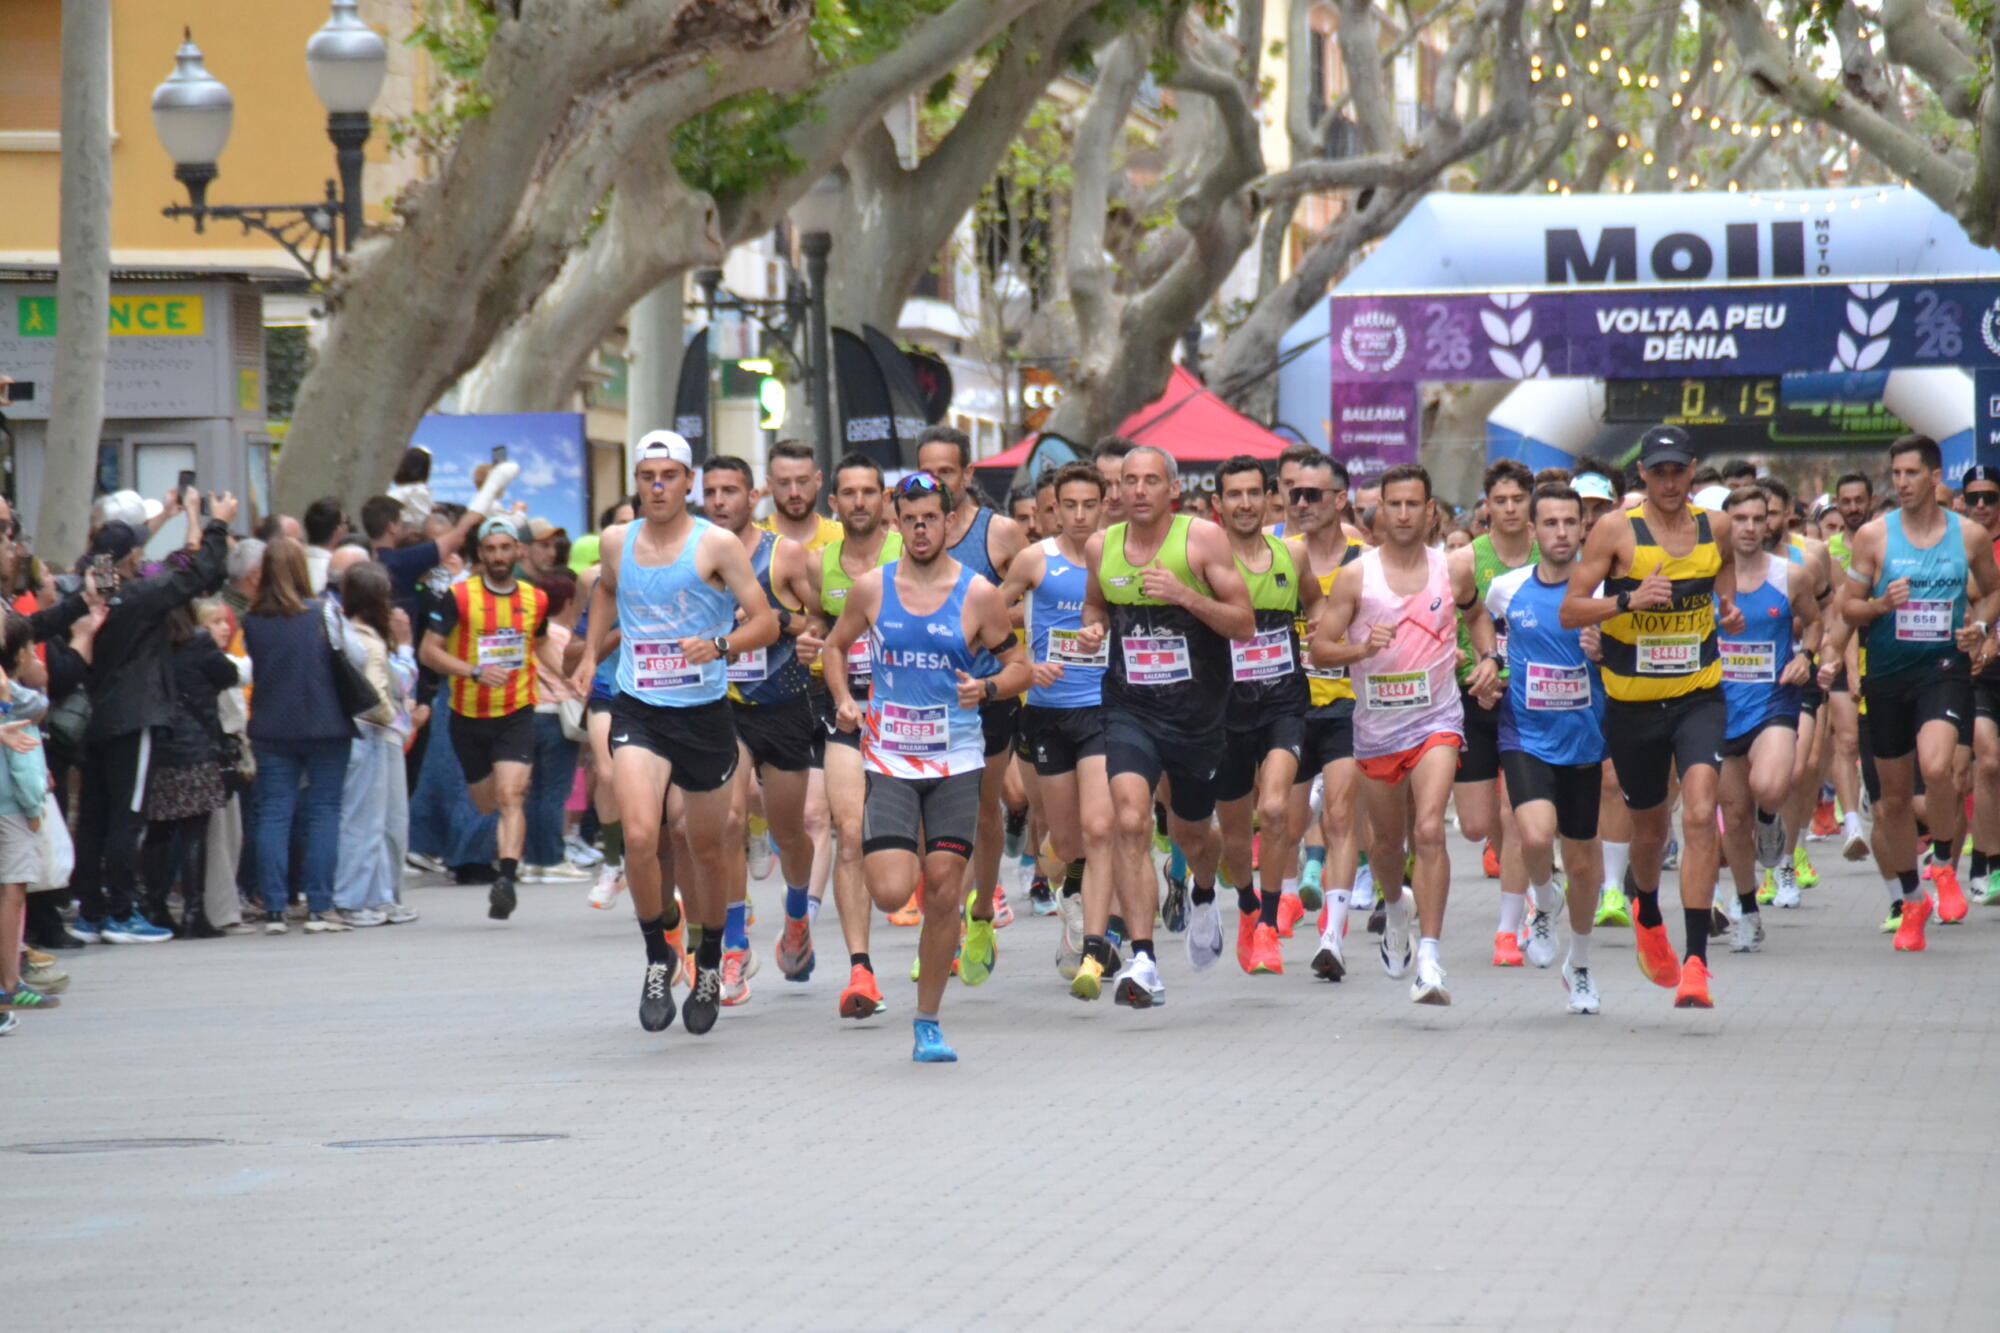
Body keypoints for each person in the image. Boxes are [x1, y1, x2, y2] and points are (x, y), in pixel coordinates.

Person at [820, 472, 1031, 1062]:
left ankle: (928, 1022)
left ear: (948, 521)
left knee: (940, 891)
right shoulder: (871, 589)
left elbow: (1019, 667)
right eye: (910, 519)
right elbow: (834, 646)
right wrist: (844, 698)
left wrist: (987, 689)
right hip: (889, 759)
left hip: (956, 761)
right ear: (897, 521)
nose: (919, 529)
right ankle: (908, 842)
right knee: (892, 892)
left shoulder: (978, 595)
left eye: (930, 518)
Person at [584, 430, 778, 1038]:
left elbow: (766, 622)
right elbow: (606, 591)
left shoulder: (716, 544)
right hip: (639, 709)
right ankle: (656, 956)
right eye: (648, 477)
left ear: (688, 482)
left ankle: (711, 960)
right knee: (640, 836)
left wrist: (719, 644)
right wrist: (590, 654)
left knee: (706, 847)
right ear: (637, 483)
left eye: (669, 476)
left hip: (703, 715)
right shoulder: (617, 541)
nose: (659, 486)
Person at [1561, 425, 1742, 1009]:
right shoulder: (1616, 530)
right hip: (1633, 705)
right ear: (1641, 473)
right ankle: (1646, 908)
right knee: (1649, 830)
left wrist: (1728, 606)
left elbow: (1724, 572)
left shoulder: (1717, 526)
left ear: (1692, 471)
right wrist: (1627, 600)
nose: (1668, 482)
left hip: (1698, 696)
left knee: (1700, 811)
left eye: (1678, 470)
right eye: (1658, 472)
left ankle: (1696, 963)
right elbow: (1570, 609)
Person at [1075, 445, 1255, 1008]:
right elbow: (1095, 606)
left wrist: (1184, 595)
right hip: (1129, 707)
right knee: (1130, 819)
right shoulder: (1102, 546)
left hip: (1197, 716)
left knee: (1192, 834)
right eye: (1129, 480)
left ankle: (1203, 890)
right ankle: (1144, 958)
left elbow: (1244, 624)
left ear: (1172, 489)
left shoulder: (1202, 540)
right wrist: (1092, 629)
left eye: (1151, 480)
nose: (1138, 490)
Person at [1312, 464, 1498, 1006]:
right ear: (1379, 512)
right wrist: (1362, 649)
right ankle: (1396, 908)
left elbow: (1477, 615)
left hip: (1437, 719)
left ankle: (1432, 960)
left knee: (1430, 829)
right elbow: (1320, 649)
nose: (1402, 514)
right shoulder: (1356, 577)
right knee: (1387, 845)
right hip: (1376, 731)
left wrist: (1489, 656)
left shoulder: (1452, 569)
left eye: (1413, 504)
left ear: (1430, 510)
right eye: (1393, 504)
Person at [1842, 434, 2000, 950]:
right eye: (1896, 474)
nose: (1902, 483)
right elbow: (1848, 607)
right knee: (1891, 802)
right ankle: (1912, 901)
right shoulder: (1874, 537)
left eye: (1911, 473)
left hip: (1942, 669)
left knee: (1936, 768)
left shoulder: (1969, 535)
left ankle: (1944, 865)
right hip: (1888, 677)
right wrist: (1880, 606)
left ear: (1935, 478)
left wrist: (1980, 627)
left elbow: (1993, 590)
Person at [70, 490, 236, 945]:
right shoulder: (140, 598)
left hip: (95, 714)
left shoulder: (92, 592)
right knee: (127, 814)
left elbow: (123, 553)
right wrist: (216, 523)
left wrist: (171, 515)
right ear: (131, 558)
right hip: (132, 713)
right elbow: (195, 573)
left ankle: (91, 909)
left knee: (95, 816)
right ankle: (122, 911)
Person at [1486, 484, 1607, 1013]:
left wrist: (1605, 652)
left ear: (1584, 529)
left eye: (1569, 522)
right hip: (1525, 734)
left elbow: (1632, 654)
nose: (1561, 532)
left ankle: (1578, 965)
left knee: (1581, 864)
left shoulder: (1602, 590)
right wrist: (1488, 662)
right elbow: (1479, 625)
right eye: (1551, 523)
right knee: (1533, 834)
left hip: (1584, 739)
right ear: (1533, 531)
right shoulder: (1506, 589)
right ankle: (1541, 898)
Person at [995, 463, 1113, 994]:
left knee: (1100, 828)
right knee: (1064, 840)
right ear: (1054, 510)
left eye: (1090, 504)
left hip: (1104, 708)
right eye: (1070, 505)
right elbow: (985, 614)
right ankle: (1070, 893)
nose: (1080, 515)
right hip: (1047, 712)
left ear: (1104, 505)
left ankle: (1094, 944)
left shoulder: (1118, 556)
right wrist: (1024, 665)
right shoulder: (1034, 560)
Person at [702, 457, 819, 995]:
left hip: (784, 706)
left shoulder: (784, 554)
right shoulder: (696, 555)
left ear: (753, 497)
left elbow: (822, 621)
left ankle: (796, 913)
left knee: (789, 832)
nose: (719, 501)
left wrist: (775, 621)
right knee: (727, 821)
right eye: (711, 492)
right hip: (722, 707)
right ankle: (734, 947)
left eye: (730, 490)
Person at [914, 426, 1029, 968]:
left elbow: (1037, 597)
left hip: (987, 694)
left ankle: (980, 911)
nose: (937, 482)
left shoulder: (998, 533)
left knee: (982, 810)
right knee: (928, 821)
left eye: (946, 472)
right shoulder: (909, 531)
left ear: (967, 474)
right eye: (927, 472)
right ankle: (941, 926)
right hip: (924, 697)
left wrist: (990, 621)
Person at [795, 455, 903, 1022]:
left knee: (918, 846)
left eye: (869, 491)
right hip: (848, 711)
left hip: (912, 716)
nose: (860, 502)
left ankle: (949, 924)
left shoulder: (909, 551)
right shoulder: (819, 564)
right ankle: (861, 971)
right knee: (851, 833)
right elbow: (820, 622)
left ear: (884, 500)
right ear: (833, 503)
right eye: (849, 493)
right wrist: (811, 640)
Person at [419, 517, 562, 922]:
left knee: (511, 795)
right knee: (486, 803)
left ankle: (506, 880)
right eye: (491, 549)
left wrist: (571, 677)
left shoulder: (535, 598)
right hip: (468, 714)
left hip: (516, 710)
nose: (499, 556)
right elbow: (429, 652)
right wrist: (474, 671)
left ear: (518, 550)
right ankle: (503, 862)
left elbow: (540, 644)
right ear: (481, 554)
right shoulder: (458, 596)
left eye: (505, 548)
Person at [1209, 456, 1318, 976]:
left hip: (1282, 702)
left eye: (1254, 493)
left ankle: (1270, 926)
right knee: (1235, 835)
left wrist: (1322, 630)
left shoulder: (1291, 555)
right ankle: (1247, 904)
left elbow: (1317, 604)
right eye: (1235, 494)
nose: (1246, 504)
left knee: (1274, 809)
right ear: (1218, 503)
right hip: (1223, 712)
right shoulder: (1203, 561)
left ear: (1270, 498)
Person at [241, 536, 365, 935]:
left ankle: (275, 907)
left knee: (274, 811)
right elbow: (356, 655)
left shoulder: (252, 619)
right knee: (324, 810)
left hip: (272, 725)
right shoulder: (323, 611)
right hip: (325, 721)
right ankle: (319, 905)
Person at [1714, 487, 1818, 953]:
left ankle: (1771, 817)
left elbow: (1815, 621)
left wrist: (1806, 656)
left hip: (1773, 699)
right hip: (1719, 706)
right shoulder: (1706, 578)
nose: (1751, 527)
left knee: (1772, 785)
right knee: (1734, 818)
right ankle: (1747, 909)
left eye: (1759, 519)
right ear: (1725, 524)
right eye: (1740, 519)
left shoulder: (1789, 575)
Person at [1450, 460, 1538, 967]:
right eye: (1499, 500)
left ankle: (1511, 924)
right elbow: (1447, 622)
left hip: (1531, 699)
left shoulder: (1551, 553)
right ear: (1486, 505)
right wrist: (1462, 659)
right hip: (1474, 696)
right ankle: (1530, 879)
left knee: (1514, 811)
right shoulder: (1466, 561)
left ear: (1530, 502)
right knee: (1476, 824)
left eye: (1517, 500)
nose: (1509, 509)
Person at [1287, 455, 1367, 980]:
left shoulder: (1367, 562)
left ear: (1340, 499)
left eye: (1312, 494)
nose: (1301, 503)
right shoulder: (1273, 555)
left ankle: (1332, 936)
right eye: (1293, 493)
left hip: (1347, 705)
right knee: (1281, 819)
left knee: (1339, 816)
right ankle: (1276, 903)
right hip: (1287, 706)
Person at [137, 601, 240, 936]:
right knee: (195, 831)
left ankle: (155, 906)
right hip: (196, 747)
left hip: (158, 747)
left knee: (159, 829)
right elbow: (228, 675)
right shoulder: (199, 643)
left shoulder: (146, 646)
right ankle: (195, 912)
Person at [332, 562, 412, 926]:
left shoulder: (343, 633)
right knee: (366, 822)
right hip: (371, 731)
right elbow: (378, 698)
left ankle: (371, 896)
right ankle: (352, 900)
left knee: (362, 820)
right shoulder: (373, 644)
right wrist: (392, 715)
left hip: (348, 731)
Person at [1962, 465, 2000, 905]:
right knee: (1986, 762)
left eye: (1990, 497)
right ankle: (1989, 863)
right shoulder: (1956, 546)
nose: (1982, 505)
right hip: (1973, 674)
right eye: (1973, 497)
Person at [302, 497, 348, 595]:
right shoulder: (336, 571)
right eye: (345, 523)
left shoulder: (293, 563)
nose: (347, 528)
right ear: (338, 530)